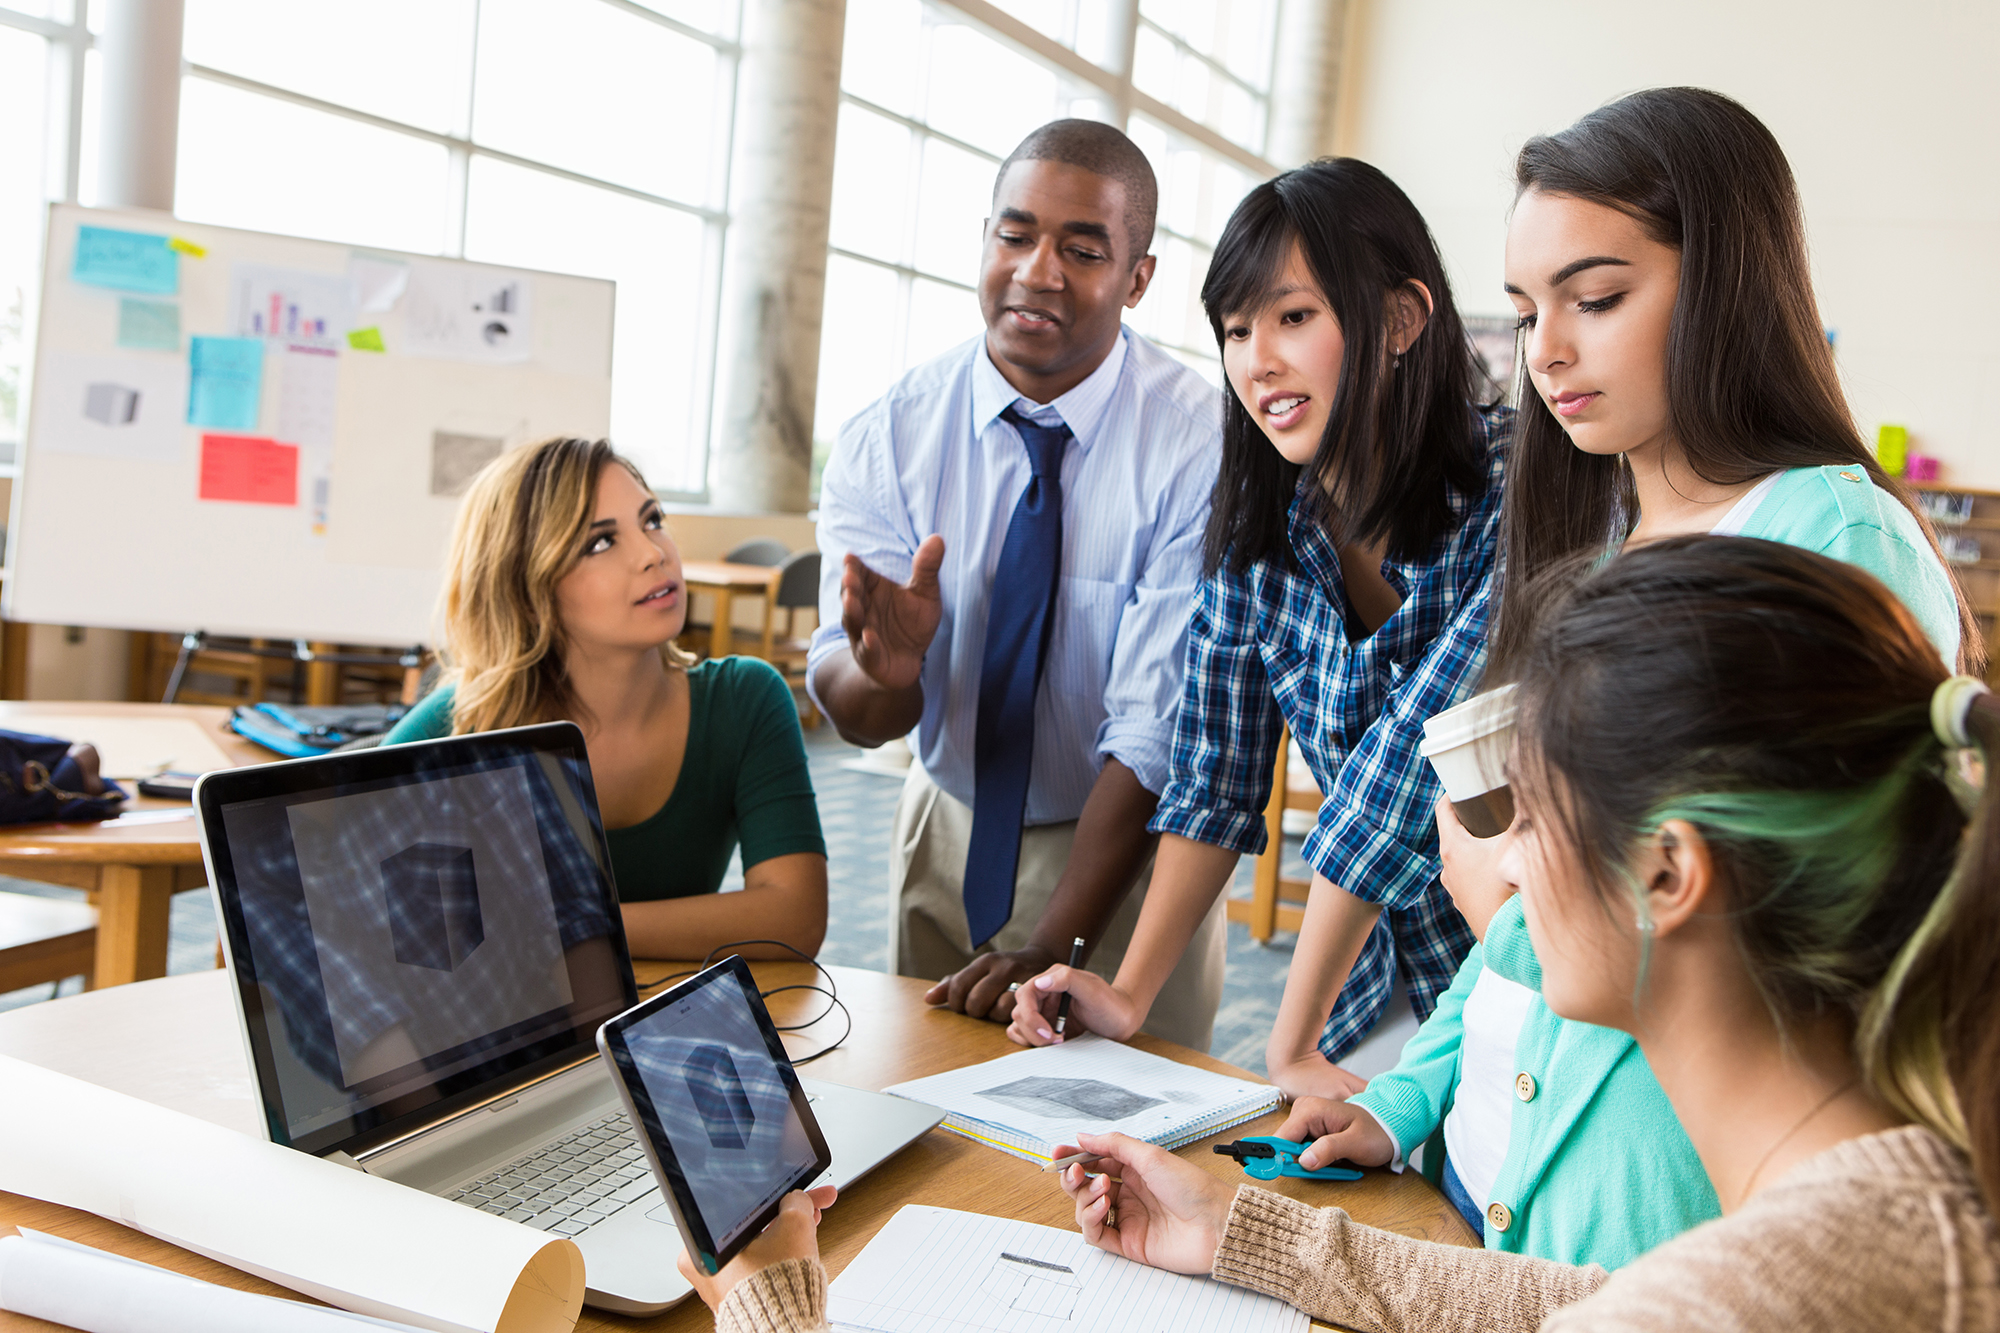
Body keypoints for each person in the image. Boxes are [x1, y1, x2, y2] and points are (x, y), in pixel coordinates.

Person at [674, 537, 2000, 1332]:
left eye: (1520, 811)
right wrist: (1253, 1237)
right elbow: (1591, 1306)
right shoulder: (1890, 1200)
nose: (1479, 854)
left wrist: (773, 1290)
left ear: (1670, 874)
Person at [1241, 87, 1980, 1264]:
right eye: (1527, 309)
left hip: (1651, 1210)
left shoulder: (1830, 540)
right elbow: (1534, 912)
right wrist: (1406, 1096)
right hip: (1484, 1181)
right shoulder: (1595, 535)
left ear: (1726, 283)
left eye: (1594, 298)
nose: (1545, 351)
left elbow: (1798, 933)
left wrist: (1499, 902)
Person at [1007, 158, 1505, 1096]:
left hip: (1522, 972)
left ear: (1401, 319)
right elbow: (1214, 778)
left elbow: (1406, 769)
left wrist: (1288, 1043)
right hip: (1373, 989)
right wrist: (1126, 993)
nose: (1256, 360)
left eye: (1293, 317)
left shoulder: (1520, 494)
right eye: (1236, 330)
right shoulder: (1257, 534)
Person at [806, 119, 1226, 1048]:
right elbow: (853, 707)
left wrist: (1054, 943)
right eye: (1015, 234)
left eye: (1083, 249)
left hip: (1125, 844)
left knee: (1119, 1152)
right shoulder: (890, 434)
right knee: (918, 1105)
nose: (1039, 270)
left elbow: (1154, 731)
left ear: (1139, 278)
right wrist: (887, 671)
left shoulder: (1199, 445)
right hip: (947, 821)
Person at [384, 436, 828, 961]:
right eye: (600, 543)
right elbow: (342, 900)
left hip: (665, 1025)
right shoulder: (461, 723)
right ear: (529, 587)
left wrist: (569, 921)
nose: (653, 553)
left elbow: (794, 918)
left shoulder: (745, 699)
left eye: (653, 520)